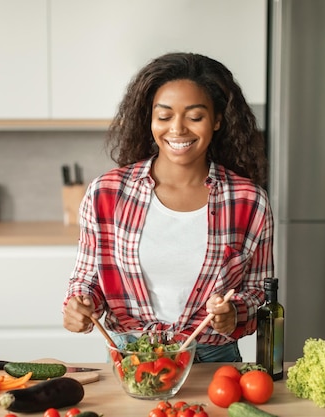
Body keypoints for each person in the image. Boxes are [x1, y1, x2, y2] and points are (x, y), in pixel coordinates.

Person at [62, 52, 273, 362]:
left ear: (217, 120)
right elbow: (87, 278)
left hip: (213, 360)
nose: (178, 129)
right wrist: (80, 305)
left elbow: (258, 290)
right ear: (149, 119)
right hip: (131, 358)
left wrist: (234, 313)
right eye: (164, 116)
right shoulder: (106, 193)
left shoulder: (249, 201)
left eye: (195, 116)